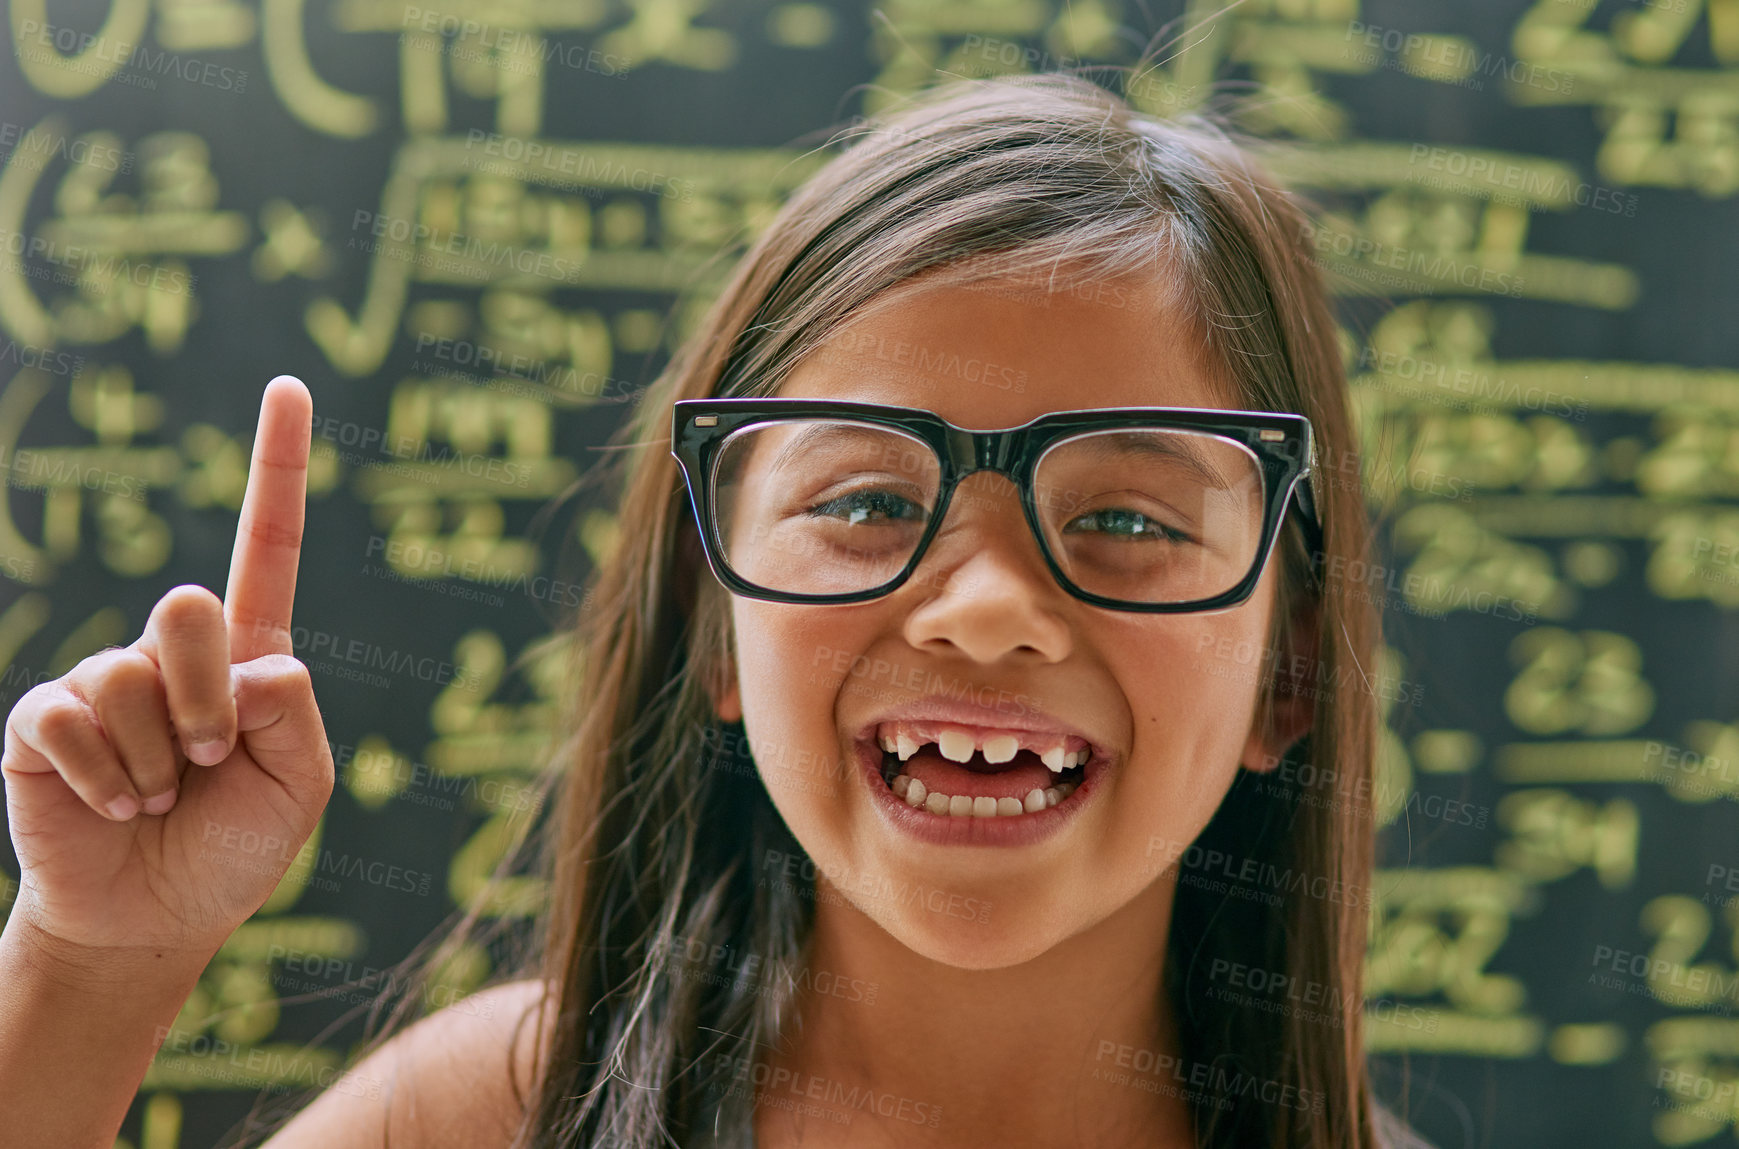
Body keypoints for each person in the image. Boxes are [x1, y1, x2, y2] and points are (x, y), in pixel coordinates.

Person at [0, 74, 1425, 1148]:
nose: (989, 609)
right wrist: (94, 967)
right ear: (712, 624)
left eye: (1127, 521)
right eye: (866, 500)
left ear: (1290, 672)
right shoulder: (492, 1114)